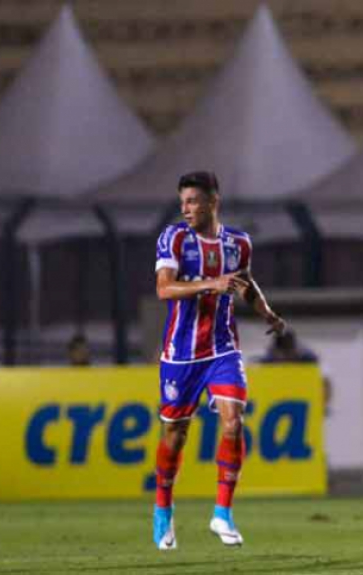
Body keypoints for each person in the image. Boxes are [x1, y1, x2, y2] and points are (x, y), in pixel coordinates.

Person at [151, 171, 286, 550]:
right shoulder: (174, 238)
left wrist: (267, 313)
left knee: (233, 420)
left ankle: (222, 513)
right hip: (181, 354)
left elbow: (245, 282)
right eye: (183, 202)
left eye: (193, 201)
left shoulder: (238, 242)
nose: (186, 209)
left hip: (223, 349)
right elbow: (164, 288)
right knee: (175, 435)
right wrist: (211, 284)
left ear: (213, 202)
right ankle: (163, 510)